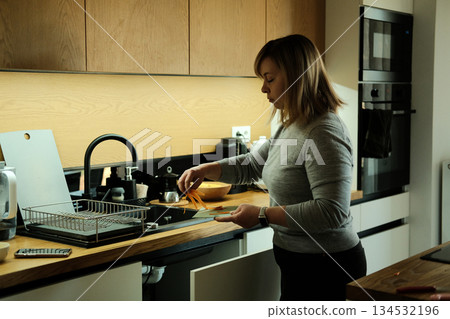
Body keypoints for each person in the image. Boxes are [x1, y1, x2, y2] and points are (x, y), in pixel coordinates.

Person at [178, 34, 367, 301]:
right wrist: (204, 170)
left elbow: (331, 211)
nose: (264, 89)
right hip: (298, 263)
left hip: (327, 267)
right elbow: (253, 164)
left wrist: (263, 214)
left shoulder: (323, 131)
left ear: (297, 77)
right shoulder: (292, 124)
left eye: (270, 79)